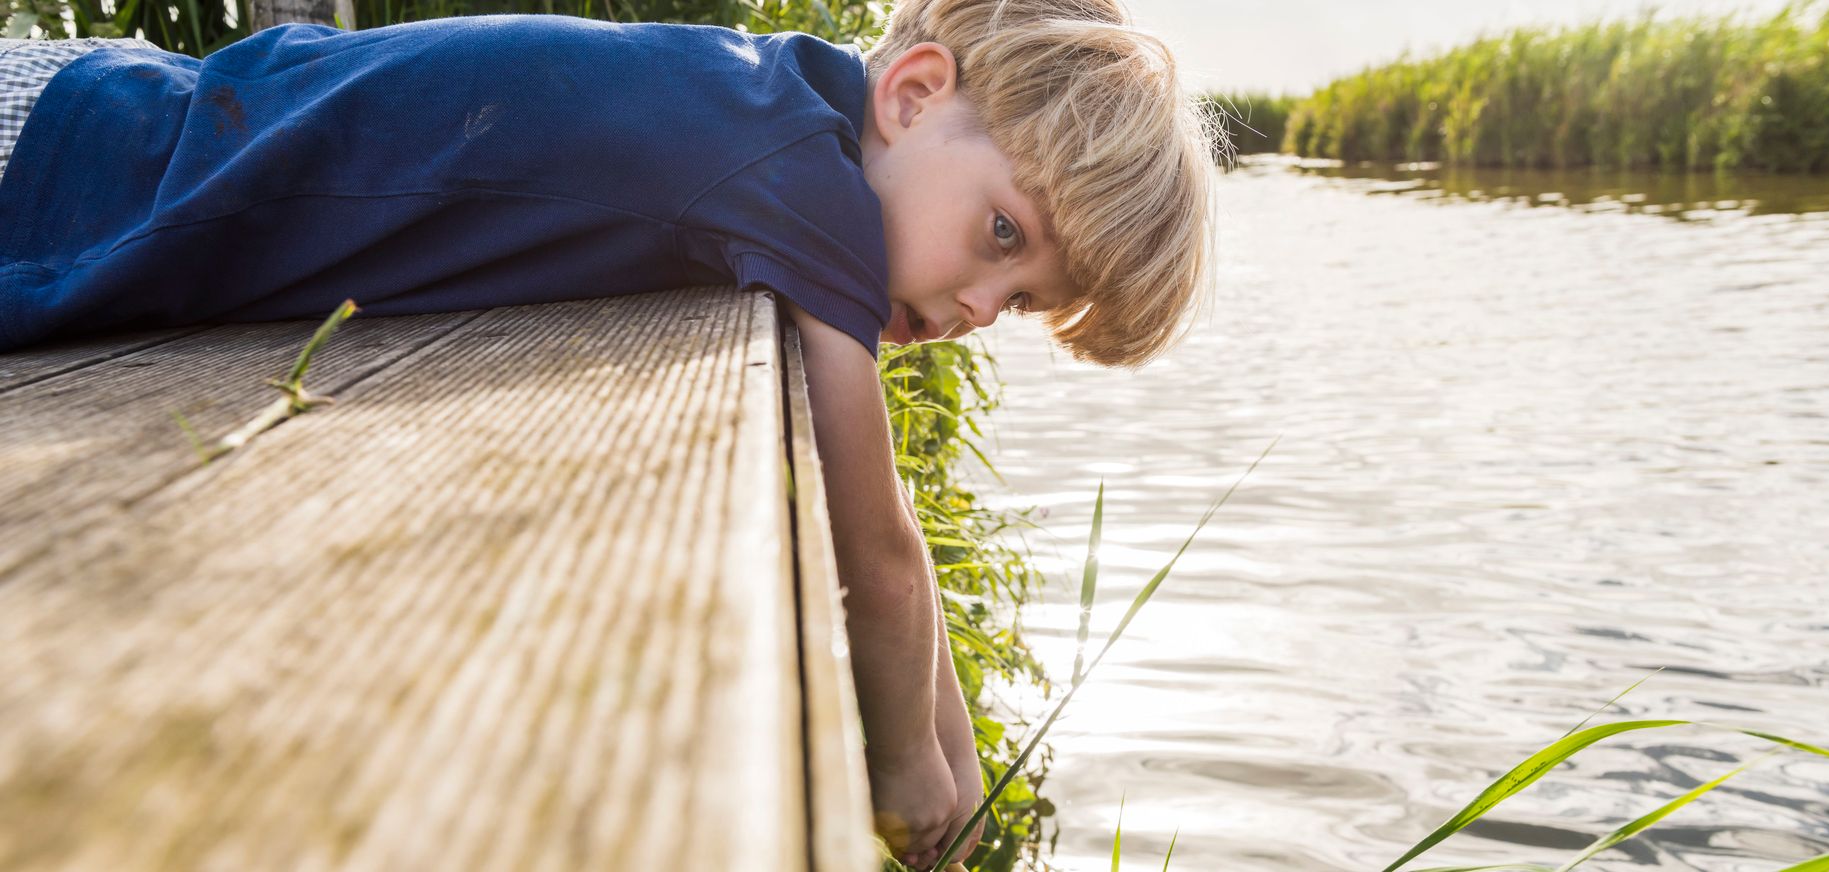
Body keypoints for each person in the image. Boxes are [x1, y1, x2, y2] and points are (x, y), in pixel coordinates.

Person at [0, 0, 1218, 865]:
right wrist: (917, 792)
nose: (972, 309)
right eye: (1002, 237)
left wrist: (960, 781)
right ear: (911, 97)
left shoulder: (781, 111)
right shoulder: (802, 182)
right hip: (78, 167)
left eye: (1019, 303)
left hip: (137, 105)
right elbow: (883, 556)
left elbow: (900, 556)